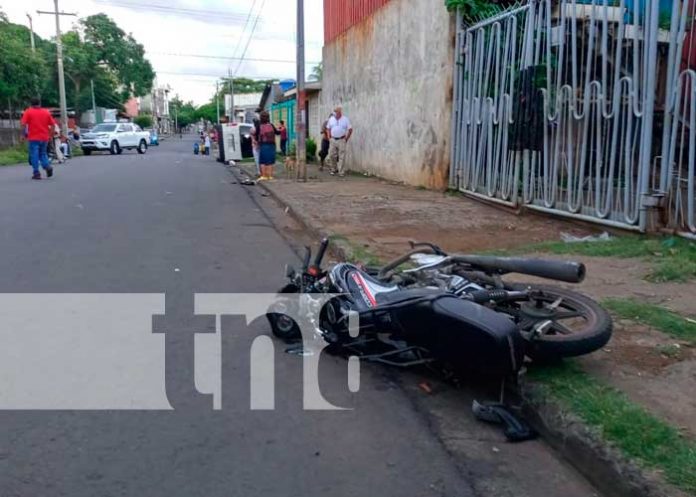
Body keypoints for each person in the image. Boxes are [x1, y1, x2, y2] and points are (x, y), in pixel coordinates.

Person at [20, 97, 56, 180]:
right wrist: (50, 135)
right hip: (44, 137)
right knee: (43, 153)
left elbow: (23, 125)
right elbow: (53, 125)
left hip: (33, 138)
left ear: (31, 104)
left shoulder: (28, 112)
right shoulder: (46, 112)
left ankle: (36, 172)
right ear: (40, 103)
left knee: (34, 155)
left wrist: (22, 135)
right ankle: (47, 166)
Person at [326, 106, 353, 177]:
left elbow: (350, 130)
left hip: (341, 139)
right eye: (334, 112)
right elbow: (328, 128)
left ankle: (341, 171)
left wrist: (346, 139)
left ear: (340, 112)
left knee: (342, 156)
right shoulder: (331, 119)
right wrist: (329, 137)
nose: (335, 113)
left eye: (336, 112)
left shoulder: (345, 119)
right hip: (333, 139)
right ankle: (334, 169)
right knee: (332, 155)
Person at [255, 111, 279, 180]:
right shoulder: (271, 125)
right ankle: (270, 176)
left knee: (263, 161)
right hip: (272, 145)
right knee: (270, 161)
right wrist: (280, 129)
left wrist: (257, 142)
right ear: (268, 118)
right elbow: (277, 133)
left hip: (263, 145)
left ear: (260, 118)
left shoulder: (259, 126)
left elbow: (257, 135)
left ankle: (264, 176)